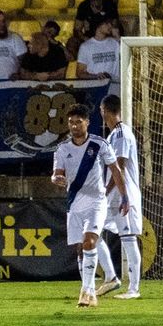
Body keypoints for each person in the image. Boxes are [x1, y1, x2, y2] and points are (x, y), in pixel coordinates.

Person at [51, 104, 129, 308]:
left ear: (87, 122)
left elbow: (116, 170)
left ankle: (87, 293)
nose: (74, 126)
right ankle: (96, 285)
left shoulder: (99, 144)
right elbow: (57, 172)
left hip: (96, 202)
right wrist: (57, 178)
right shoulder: (62, 148)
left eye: (78, 122)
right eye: (71, 122)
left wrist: (124, 197)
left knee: (89, 242)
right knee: (81, 248)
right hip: (74, 204)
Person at [98, 94, 145, 300]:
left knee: (128, 238)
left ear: (104, 110)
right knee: (91, 231)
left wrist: (109, 192)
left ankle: (133, 289)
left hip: (123, 193)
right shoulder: (113, 135)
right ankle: (111, 277)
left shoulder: (121, 134)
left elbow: (120, 168)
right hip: (115, 194)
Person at [73, 16, 120, 92]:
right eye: (107, 23)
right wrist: (95, 76)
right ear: (98, 25)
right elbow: (79, 73)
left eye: (111, 24)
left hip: (114, 87)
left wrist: (118, 37)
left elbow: (128, 56)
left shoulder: (116, 43)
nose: (110, 26)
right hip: (95, 88)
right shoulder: (85, 46)